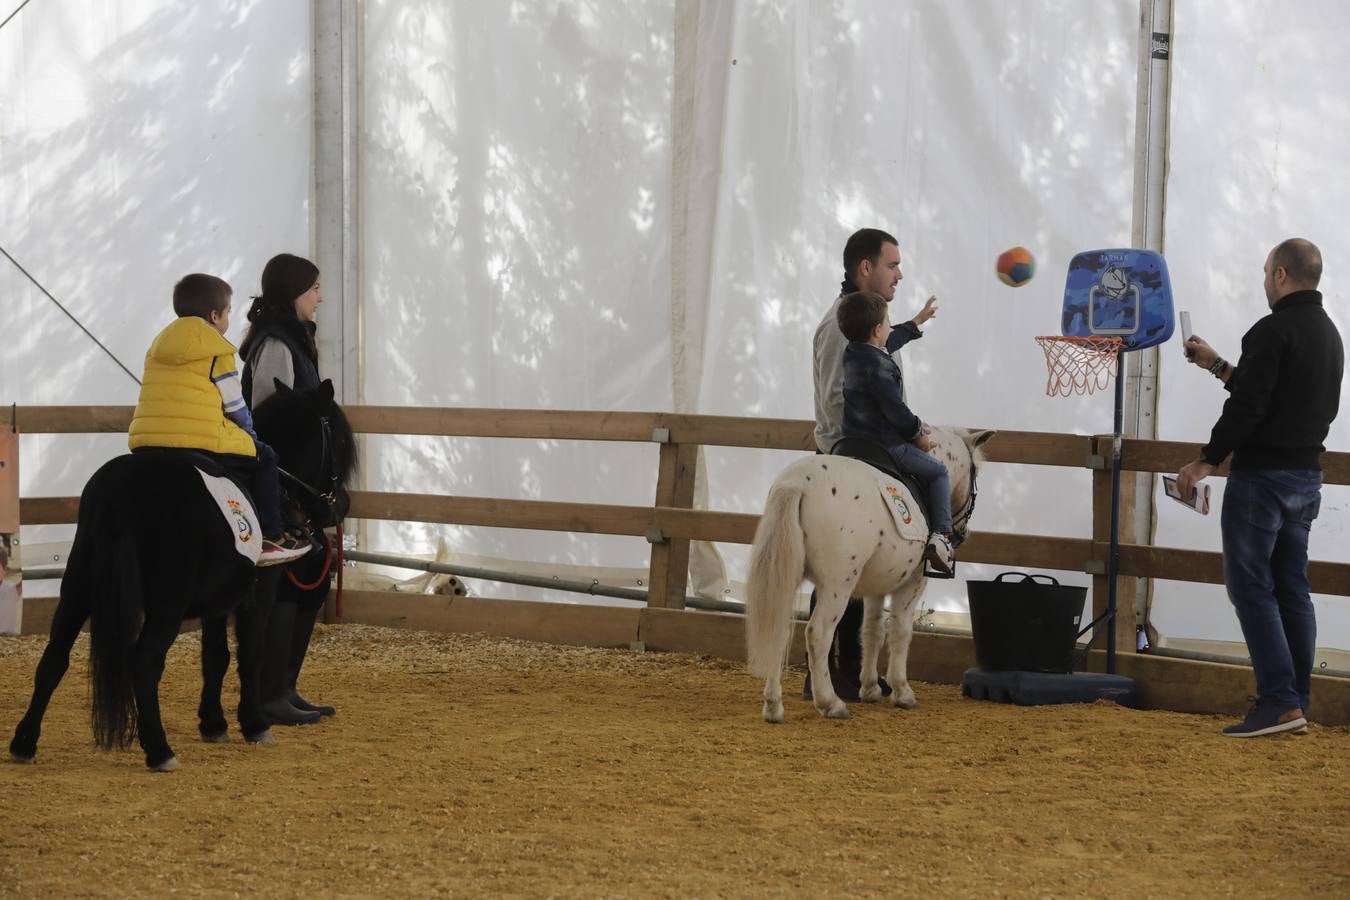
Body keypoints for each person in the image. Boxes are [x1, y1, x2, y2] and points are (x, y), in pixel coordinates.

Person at [1177, 238, 1342, 738]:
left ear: (1281, 276)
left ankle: (1277, 702)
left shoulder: (1271, 331)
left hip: (1262, 480)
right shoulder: (1330, 335)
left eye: (1265, 271)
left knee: (1249, 586)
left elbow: (1249, 408)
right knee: (1293, 588)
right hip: (1305, 476)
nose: (1264, 280)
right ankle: (1295, 699)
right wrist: (1216, 365)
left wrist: (1206, 460)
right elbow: (1267, 394)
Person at [808, 228, 938, 700]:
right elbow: (834, 400)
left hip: (863, 455)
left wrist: (917, 323)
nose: (899, 274)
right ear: (866, 268)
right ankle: (825, 670)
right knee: (837, 565)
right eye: (892, 265)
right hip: (854, 456)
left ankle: (850, 670)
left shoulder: (867, 323)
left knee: (853, 563)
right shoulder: (837, 327)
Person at [127, 274, 310, 567]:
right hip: (200, 441)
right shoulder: (217, 348)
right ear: (214, 315)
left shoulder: (158, 345)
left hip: (146, 440)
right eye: (227, 313)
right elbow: (235, 404)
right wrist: (250, 434)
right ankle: (271, 537)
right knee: (265, 457)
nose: (227, 320)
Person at [240, 253, 336, 726]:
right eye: (314, 287)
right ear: (293, 291)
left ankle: (285, 684)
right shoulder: (277, 344)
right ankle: (267, 690)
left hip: (294, 477)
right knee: (287, 572)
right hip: (273, 476)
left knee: (313, 566)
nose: (319, 297)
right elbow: (266, 415)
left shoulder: (296, 339)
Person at [838, 290, 954, 574]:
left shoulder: (854, 351)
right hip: (884, 445)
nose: (890, 327)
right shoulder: (879, 366)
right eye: (887, 322)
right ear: (877, 330)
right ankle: (941, 536)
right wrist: (919, 434)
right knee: (938, 471)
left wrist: (916, 322)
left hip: (851, 443)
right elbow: (895, 410)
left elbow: (891, 339)